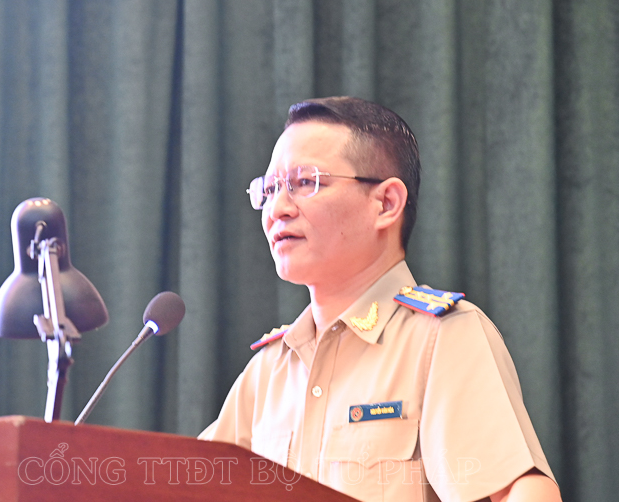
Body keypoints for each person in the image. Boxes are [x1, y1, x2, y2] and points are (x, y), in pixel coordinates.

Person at [199, 97, 562, 502]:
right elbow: (183, 485)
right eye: (269, 190)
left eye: (305, 183)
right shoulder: (268, 370)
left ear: (387, 204)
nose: (277, 209)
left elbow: (523, 490)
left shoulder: (440, 339)